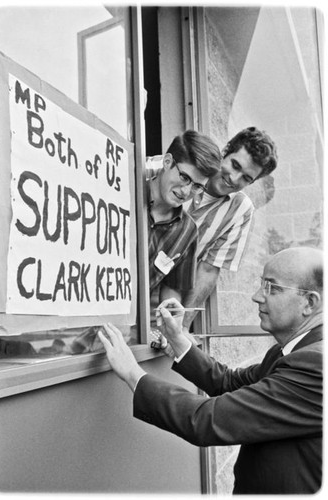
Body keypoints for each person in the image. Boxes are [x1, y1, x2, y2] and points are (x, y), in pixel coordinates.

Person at [97, 246, 323, 494]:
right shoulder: (290, 352)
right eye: (261, 284)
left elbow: (206, 419)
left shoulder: (315, 367)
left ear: (309, 303)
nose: (257, 296)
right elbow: (228, 383)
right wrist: (178, 339)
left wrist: (132, 373)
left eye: (272, 288)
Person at [182, 126, 278, 331]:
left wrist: (181, 325)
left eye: (246, 178)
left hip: (166, 302)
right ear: (225, 151)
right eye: (235, 165)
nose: (234, 179)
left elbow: (208, 270)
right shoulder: (186, 166)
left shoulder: (241, 210)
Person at [146, 130, 221, 305]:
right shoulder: (125, 193)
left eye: (197, 186)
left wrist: (172, 312)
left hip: (126, 327)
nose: (186, 192)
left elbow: (172, 287)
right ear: (167, 162)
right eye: (184, 177)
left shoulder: (188, 231)